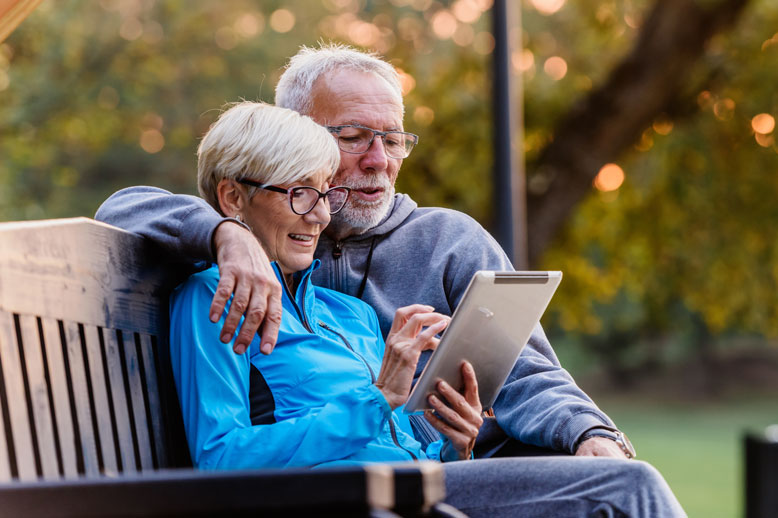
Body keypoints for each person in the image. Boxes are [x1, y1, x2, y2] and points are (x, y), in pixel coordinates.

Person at [96, 43, 629, 459]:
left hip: (466, 468)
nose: (379, 160)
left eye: (393, 139)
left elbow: (527, 372)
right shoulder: (264, 226)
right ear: (299, 139)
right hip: (354, 491)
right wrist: (225, 235)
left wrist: (589, 434)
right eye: (353, 136)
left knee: (618, 481)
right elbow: (125, 207)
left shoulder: (447, 241)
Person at [170, 100, 684, 517]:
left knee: (610, 483)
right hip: (350, 501)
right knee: (624, 488)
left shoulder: (343, 312)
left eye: (325, 195)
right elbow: (221, 459)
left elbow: (410, 433)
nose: (320, 216)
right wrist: (378, 399)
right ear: (233, 198)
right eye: (302, 194)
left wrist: (454, 442)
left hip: (425, 488)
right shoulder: (211, 300)